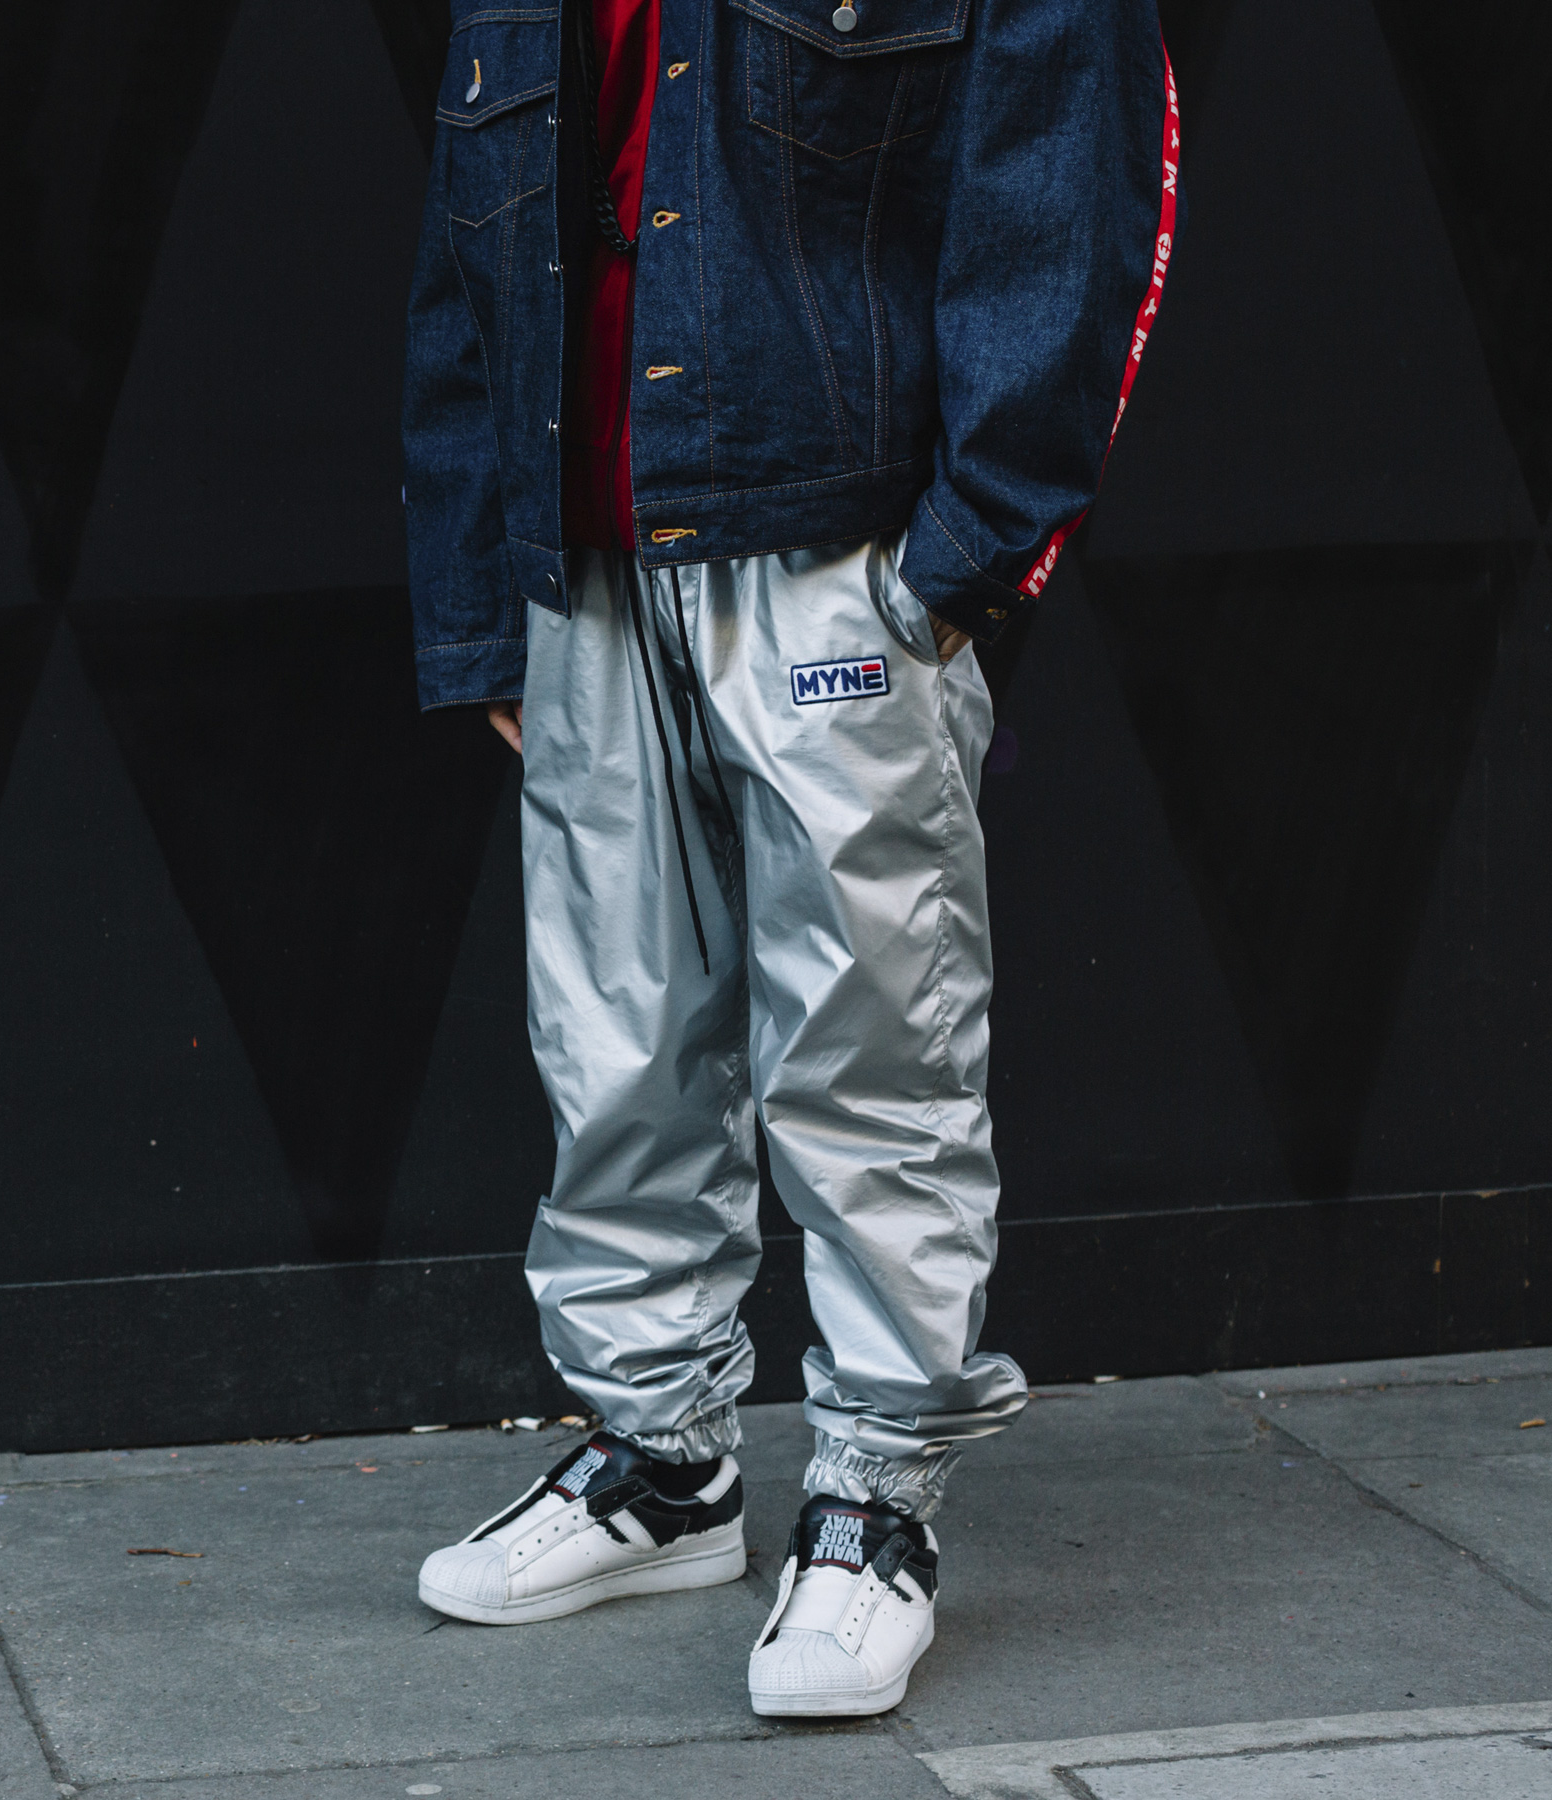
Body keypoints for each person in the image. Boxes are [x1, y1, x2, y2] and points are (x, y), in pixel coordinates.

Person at [402, 0, 1177, 1717]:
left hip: (836, 550)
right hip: (584, 564)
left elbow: (1068, 190)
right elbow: (471, 254)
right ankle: (663, 1467)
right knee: (613, 1045)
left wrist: (965, 566)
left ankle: (875, 1507)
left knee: (872, 1050)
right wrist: (479, 604)